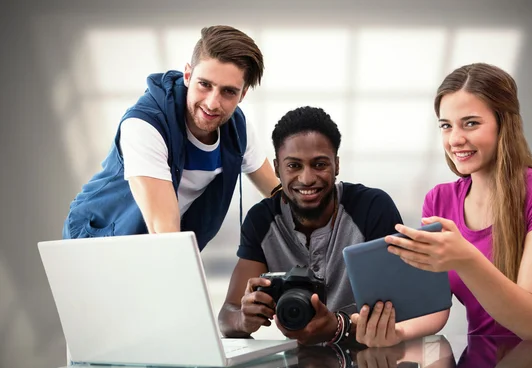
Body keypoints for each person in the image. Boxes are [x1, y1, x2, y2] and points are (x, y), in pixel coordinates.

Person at [353, 62, 532, 347]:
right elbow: (436, 306)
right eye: (446, 126)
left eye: (471, 123)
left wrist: (465, 258)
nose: (455, 139)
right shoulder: (439, 200)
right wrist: (398, 333)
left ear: (503, 123)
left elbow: (530, 323)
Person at [62, 25, 279, 251]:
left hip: (153, 244)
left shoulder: (238, 129)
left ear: (242, 94)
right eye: (205, 85)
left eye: (228, 92)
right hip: (98, 237)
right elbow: (165, 230)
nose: (212, 103)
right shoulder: (145, 126)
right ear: (187, 75)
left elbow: (279, 197)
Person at [218, 106, 403, 345]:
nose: (306, 179)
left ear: (337, 164)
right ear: (276, 168)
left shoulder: (372, 208)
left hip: (368, 361)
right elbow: (226, 316)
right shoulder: (261, 220)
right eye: (294, 166)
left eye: (319, 165)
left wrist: (340, 326)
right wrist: (243, 319)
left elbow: (400, 310)